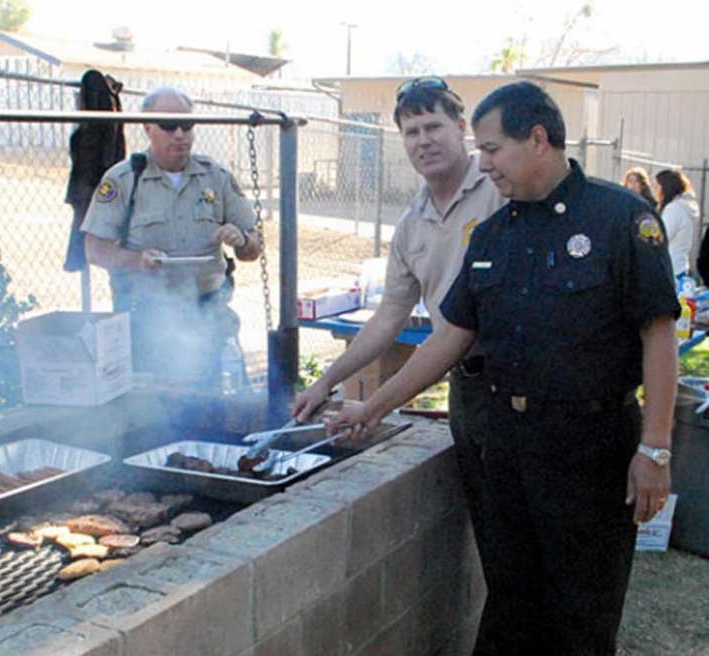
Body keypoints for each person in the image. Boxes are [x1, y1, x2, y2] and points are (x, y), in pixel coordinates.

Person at [329, 81, 679, 655]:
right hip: (507, 443)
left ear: (537, 139)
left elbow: (657, 335)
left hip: (591, 447)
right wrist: (372, 406)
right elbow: (449, 340)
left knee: (581, 614)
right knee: (511, 602)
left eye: (492, 149)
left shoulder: (622, 219)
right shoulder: (493, 235)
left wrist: (656, 448)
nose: (483, 162)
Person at [292, 75, 504, 651]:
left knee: (536, 554)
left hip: (524, 388)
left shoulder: (499, 190)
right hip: (469, 393)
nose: (423, 141)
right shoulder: (410, 224)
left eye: (434, 126)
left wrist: (376, 405)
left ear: (460, 128)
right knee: (496, 545)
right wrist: (327, 381)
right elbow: (390, 316)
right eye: (411, 132)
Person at [81, 86, 261, 381]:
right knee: (155, 413)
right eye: (168, 125)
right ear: (148, 128)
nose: (180, 134)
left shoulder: (216, 176)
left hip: (209, 313)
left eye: (187, 125)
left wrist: (242, 241)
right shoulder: (124, 179)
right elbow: (94, 249)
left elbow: (254, 247)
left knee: (214, 407)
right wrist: (137, 261)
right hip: (148, 318)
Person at [63, 70, 125, 272]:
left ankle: (80, 258)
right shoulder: (102, 124)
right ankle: (79, 259)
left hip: (93, 183)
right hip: (88, 185)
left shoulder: (99, 127)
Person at [655, 168, 698, 279]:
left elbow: (660, 236)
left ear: (665, 188)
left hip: (671, 268)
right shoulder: (682, 206)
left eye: (657, 186)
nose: (655, 190)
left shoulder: (673, 209)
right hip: (679, 266)